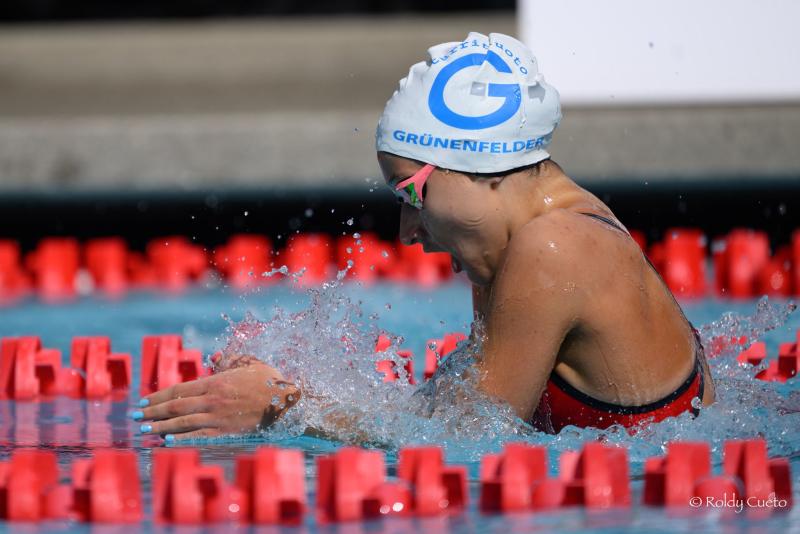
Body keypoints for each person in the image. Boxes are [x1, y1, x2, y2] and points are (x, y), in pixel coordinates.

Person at [133, 32, 714, 441]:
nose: (408, 231)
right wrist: (285, 389)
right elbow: (440, 415)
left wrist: (285, 409)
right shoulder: (514, 244)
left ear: (476, 164)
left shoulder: (554, 249)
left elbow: (463, 442)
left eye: (411, 194)